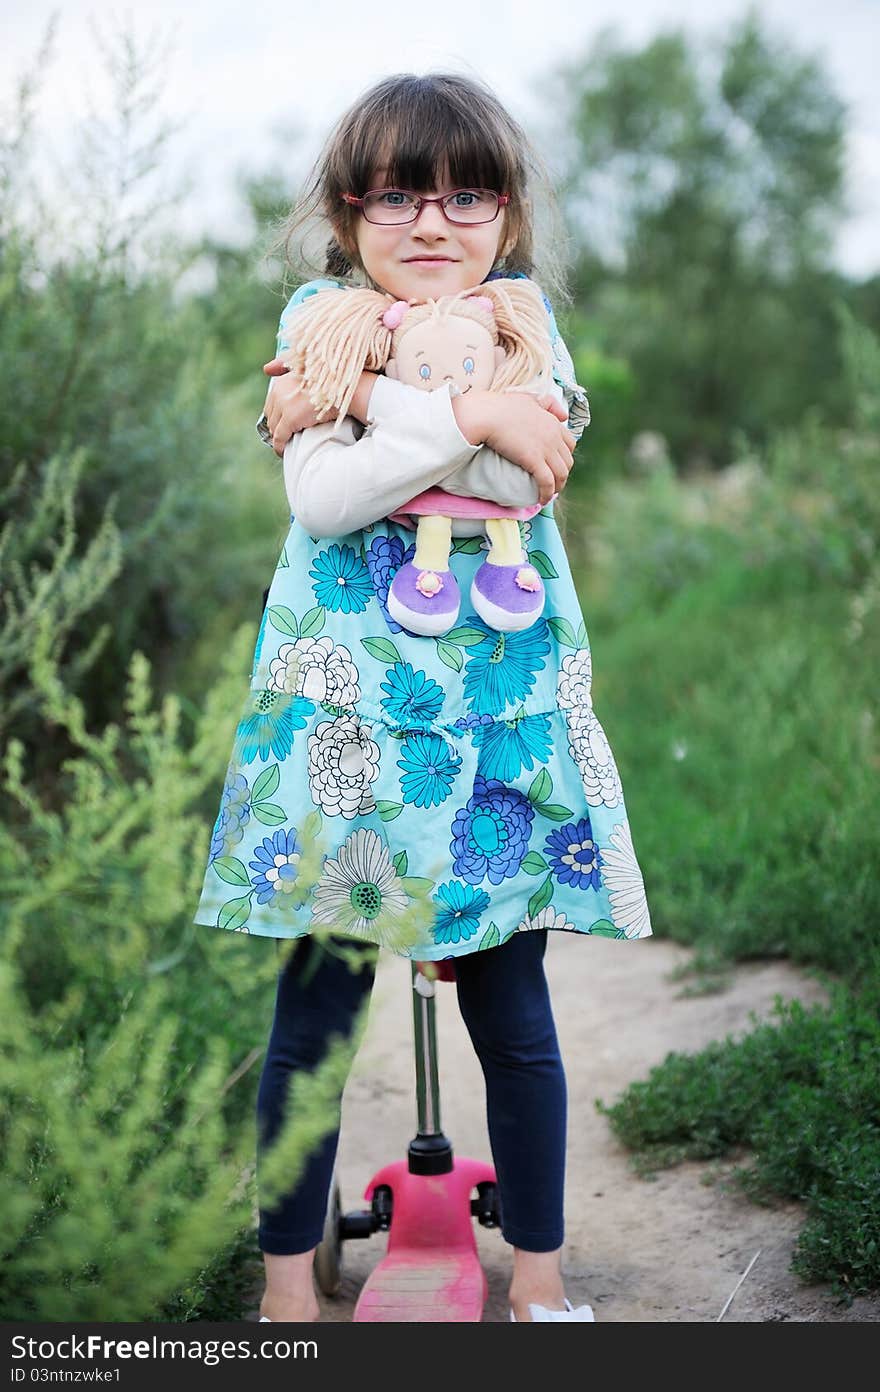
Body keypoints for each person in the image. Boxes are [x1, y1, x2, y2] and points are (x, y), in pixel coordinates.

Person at [193, 71, 653, 1324]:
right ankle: (291, 1290)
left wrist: (386, 407)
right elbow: (326, 500)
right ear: (347, 217)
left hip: (497, 718)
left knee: (513, 1007)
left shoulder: (523, 322)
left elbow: (516, 487)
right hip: (343, 727)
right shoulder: (318, 314)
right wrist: (471, 409)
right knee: (318, 1012)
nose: (432, 223)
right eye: (396, 195)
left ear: (506, 216)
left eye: (465, 194)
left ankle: (543, 1282)